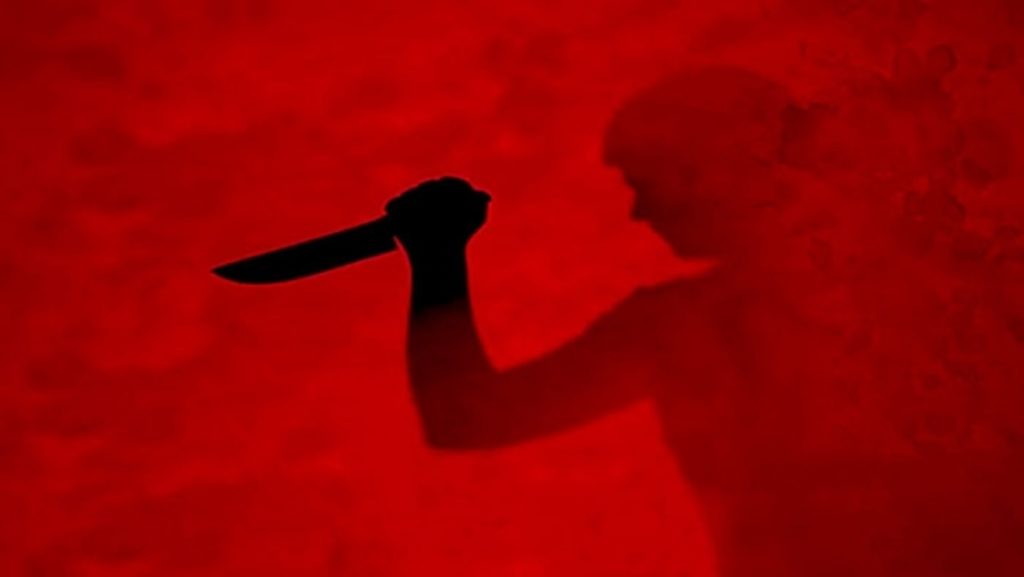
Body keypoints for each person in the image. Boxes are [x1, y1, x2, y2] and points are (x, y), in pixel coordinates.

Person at [384, 63, 1024, 576]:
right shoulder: (957, 287)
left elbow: (467, 417)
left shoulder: (679, 330)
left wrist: (438, 256)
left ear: (711, 172)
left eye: (646, 182)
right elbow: (466, 420)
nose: (639, 213)